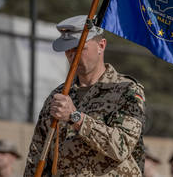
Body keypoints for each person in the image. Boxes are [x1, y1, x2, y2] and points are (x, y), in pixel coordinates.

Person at [24, 15, 146, 176]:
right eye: (68, 49)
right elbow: (38, 154)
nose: (72, 54)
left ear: (101, 45)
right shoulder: (58, 96)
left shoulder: (126, 90)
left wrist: (76, 117)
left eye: (80, 47)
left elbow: (121, 146)